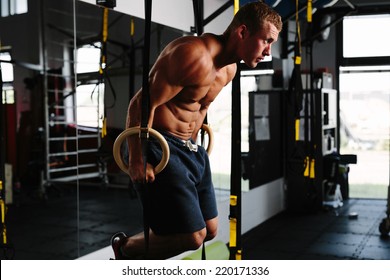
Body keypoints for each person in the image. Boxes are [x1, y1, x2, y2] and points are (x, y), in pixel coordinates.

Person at [111, 0, 282, 259]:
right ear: (243, 32)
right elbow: (140, 103)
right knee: (193, 237)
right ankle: (123, 248)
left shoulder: (230, 69)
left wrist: (193, 149)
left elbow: (200, 108)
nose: (268, 51)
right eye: (266, 41)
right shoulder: (192, 54)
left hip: (190, 150)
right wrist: (136, 157)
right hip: (160, 146)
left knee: (211, 230)